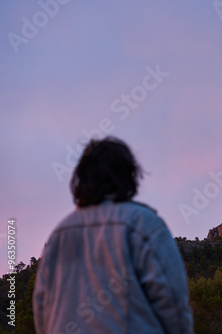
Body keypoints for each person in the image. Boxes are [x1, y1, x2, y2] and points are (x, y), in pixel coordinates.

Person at [33, 137, 194, 334]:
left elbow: (42, 307)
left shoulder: (58, 235)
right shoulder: (143, 224)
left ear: (81, 178)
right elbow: (172, 301)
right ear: (129, 176)